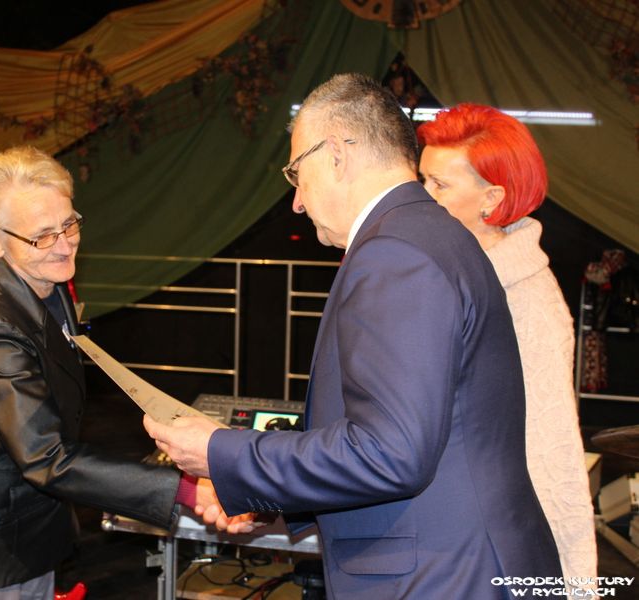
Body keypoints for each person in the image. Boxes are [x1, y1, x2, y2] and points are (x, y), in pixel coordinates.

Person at [144, 73, 562, 599]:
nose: (296, 202)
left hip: (441, 577)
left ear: (337, 155)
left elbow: (390, 453)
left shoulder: (396, 253)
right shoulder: (430, 234)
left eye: (297, 174)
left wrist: (222, 453)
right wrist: (267, 494)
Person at [0, 146, 252, 599]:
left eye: (69, 224)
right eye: (42, 236)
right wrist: (186, 491)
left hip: (28, 520)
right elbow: (45, 455)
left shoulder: (44, 281)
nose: (65, 244)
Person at [417, 103, 596, 588]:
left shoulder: (527, 299)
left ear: (491, 197)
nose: (422, 197)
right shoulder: (448, 270)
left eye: (440, 185)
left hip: (485, 551)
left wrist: (572, 582)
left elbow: (550, 446)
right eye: (422, 180)